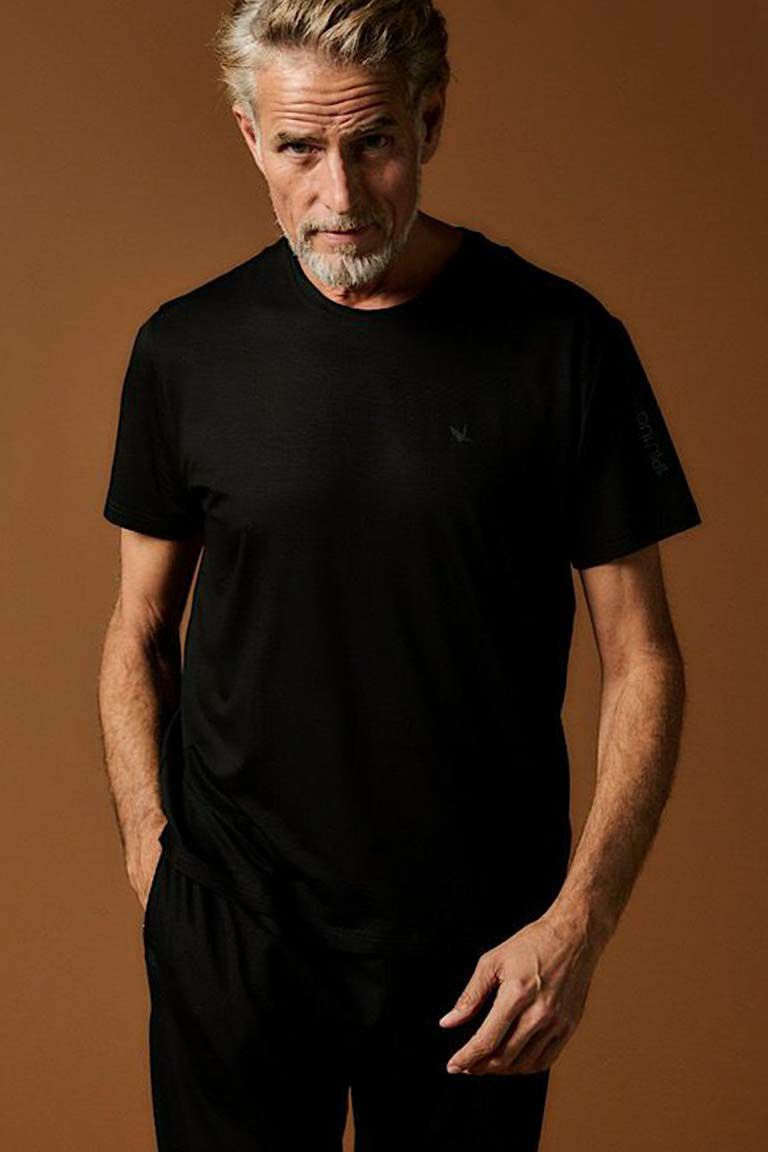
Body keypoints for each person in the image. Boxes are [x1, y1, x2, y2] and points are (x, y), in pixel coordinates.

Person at [97, 2, 703, 1149]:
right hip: (234, 927)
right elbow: (136, 631)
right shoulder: (184, 349)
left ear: (429, 120)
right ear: (250, 137)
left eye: (373, 140)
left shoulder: (562, 343)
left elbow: (644, 656)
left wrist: (579, 921)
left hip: (478, 948)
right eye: (299, 148)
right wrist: (154, 854)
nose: (339, 194)